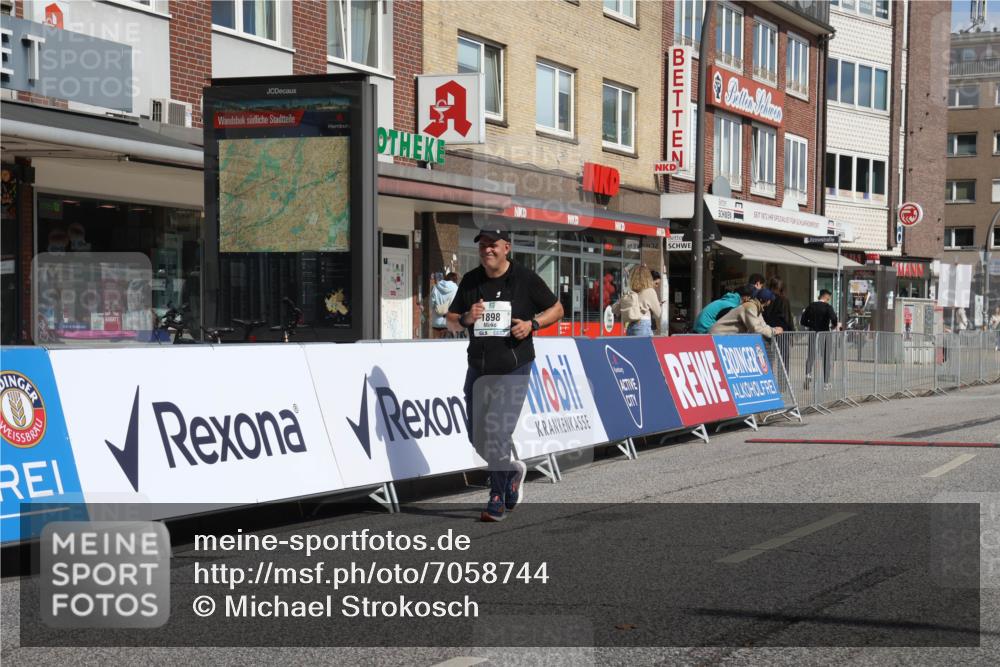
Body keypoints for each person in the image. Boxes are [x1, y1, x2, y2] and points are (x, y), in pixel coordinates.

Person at [447, 227, 563, 522]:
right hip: (479, 368)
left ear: (506, 247)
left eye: (493, 245)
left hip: (514, 367)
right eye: (483, 245)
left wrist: (532, 325)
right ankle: (510, 473)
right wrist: (466, 318)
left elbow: (557, 309)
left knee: (497, 432)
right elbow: (450, 321)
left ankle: (496, 495)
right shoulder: (472, 280)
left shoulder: (524, 279)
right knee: (477, 436)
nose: (487, 250)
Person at [800, 289, 840, 390]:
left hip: (813, 333)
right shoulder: (828, 307)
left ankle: (808, 374)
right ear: (826, 297)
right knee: (826, 357)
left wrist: (812, 325)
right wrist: (834, 325)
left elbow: (803, 320)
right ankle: (826, 383)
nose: (829, 300)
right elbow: (834, 318)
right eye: (829, 298)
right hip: (825, 334)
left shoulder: (811, 305)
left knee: (811, 355)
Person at [710, 288, 783, 339]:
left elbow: (762, 325)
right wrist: (773, 331)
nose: (770, 302)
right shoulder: (750, 307)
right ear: (764, 300)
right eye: (769, 300)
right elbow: (756, 328)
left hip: (724, 336)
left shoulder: (757, 308)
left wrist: (773, 329)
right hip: (718, 335)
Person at [611, 265, 661, 336]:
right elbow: (658, 313)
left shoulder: (629, 293)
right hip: (643, 326)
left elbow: (614, 309)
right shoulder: (650, 291)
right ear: (648, 278)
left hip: (630, 327)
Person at [430, 272, 459, 338]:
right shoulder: (456, 289)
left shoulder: (435, 287)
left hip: (436, 324)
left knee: (436, 346)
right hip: (450, 323)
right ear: (455, 280)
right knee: (450, 346)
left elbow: (431, 304)